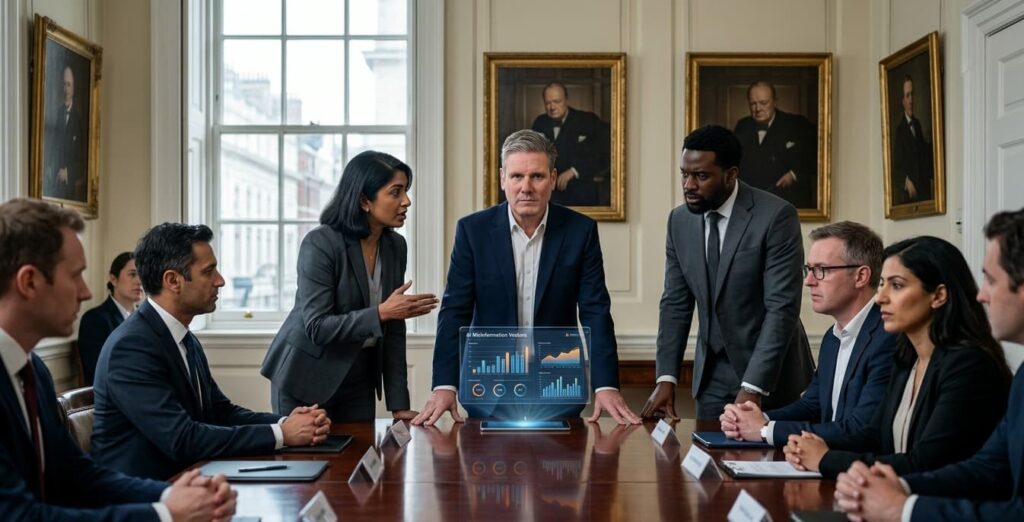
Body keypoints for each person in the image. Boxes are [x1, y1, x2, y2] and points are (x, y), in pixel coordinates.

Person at [0, 198, 236, 520]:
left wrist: (171, 495)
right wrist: (164, 514)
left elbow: (77, 474)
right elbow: (18, 516)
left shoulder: (33, 370)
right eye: (76, 275)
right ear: (29, 282)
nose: (85, 292)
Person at [412, 129, 640, 425]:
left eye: (537, 176)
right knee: (485, 470)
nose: (526, 187)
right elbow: (455, 311)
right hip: (488, 386)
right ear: (502, 178)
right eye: (517, 176)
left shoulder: (580, 231)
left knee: (560, 469)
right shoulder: (473, 231)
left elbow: (595, 311)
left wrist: (605, 385)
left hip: (557, 384)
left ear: (554, 178)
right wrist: (445, 385)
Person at [91, 223, 332, 480]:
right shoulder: (131, 347)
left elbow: (220, 413)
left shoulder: (183, 337)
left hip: (191, 481)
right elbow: (181, 439)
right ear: (173, 280)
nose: (220, 280)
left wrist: (286, 423)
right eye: (209, 271)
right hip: (145, 498)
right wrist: (283, 435)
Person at [835, 208, 1024, 522]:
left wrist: (902, 507)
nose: (982, 295)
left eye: (991, 280)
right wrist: (894, 486)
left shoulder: (970, 365)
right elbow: (988, 467)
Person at [784, 236, 1012, 479]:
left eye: (897, 285)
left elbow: (925, 463)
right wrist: (810, 444)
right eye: (881, 283)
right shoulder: (907, 358)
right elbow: (874, 435)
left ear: (938, 296)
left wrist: (825, 458)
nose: (881, 297)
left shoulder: (969, 366)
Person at [641, 124, 813, 421]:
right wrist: (666, 377)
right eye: (684, 173)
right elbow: (675, 304)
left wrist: (753, 384)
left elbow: (781, 308)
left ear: (731, 174)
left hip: (772, 380)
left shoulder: (776, 216)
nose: (688, 185)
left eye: (701, 176)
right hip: (711, 381)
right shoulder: (679, 222)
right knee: (707, 465)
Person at [261, 151, 437, 422]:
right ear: (365, 200)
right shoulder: (321, 243)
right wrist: (381, 313)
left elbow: (393, 331)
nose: (406, 201)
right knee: (308, 463)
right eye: (396, 192)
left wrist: (398, 403)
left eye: (406, 191)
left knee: (359, 460)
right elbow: (317, 327)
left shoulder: (395, 246)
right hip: (305, 376)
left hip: (359, 378)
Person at [720, 221, 897, 445]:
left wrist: (765, 430)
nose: (808, 281)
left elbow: (860, 429)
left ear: (861, 276)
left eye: (821, 270)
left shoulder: (887, 337)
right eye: (809, 269)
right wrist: (754, 420)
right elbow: (813, 406)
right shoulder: (832, 338)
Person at [733, 81, 817, 209]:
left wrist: (794, 175)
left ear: (775, 102)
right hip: (752, 203)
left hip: (788, 202)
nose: (758, 109)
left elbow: (817, 157)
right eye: (753, 104)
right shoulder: (742, 126)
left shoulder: (797, 124)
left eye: (763, 103)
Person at [530, 82, 611, 207]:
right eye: (548, 103)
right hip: (550, 195)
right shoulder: (540, 122)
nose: (552, 107)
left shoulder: (587, 120)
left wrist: (575, 170)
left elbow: (607, 149)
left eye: (557, 101)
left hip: (581, 193)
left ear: (566, 100)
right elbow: (533, 156)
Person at [78, 251, 143, 385]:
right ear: (113, 279)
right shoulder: (95, 319)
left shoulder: (147, 319)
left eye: (143, 274)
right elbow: (100, 371)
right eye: (132, 274)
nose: (139, 281)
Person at [45, 65, 88, 202]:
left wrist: (68, 173)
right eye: (64, 84)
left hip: (71, 186)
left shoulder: (79, 118)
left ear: (73, 88)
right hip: (54, 184)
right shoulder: (58, 114)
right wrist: (49, 166)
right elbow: (54, 147)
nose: (66, 89)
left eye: (69, 85)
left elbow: (84, 161)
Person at [891, 75, 934, 204]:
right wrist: (907, 182)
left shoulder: (918, 124)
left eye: (912, 95)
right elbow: (896, 169)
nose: (911, 100)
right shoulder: (899, 131)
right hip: (910, 197)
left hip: (924, 193)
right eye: (907, 95)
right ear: (903, 101)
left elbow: (923, 157)